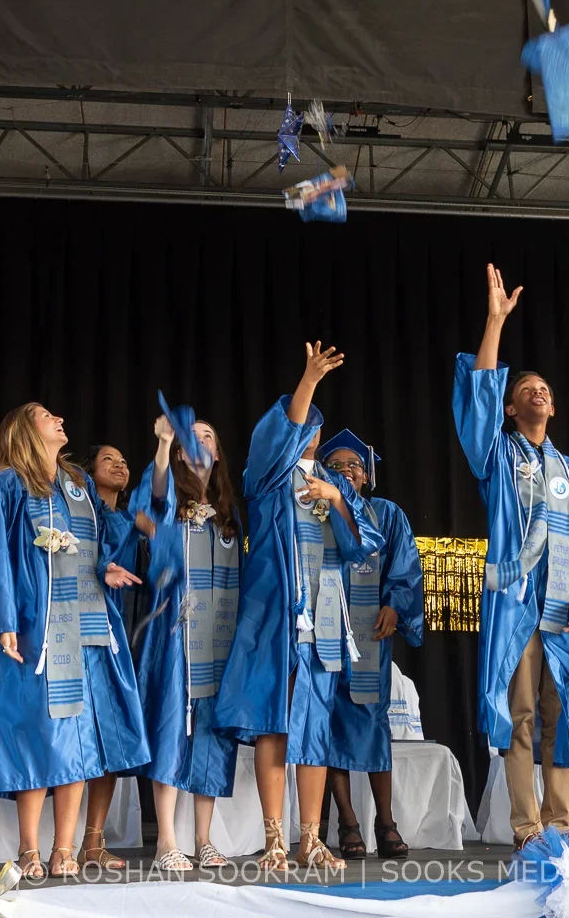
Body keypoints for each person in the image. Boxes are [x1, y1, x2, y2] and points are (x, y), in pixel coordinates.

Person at [0, 403, 150, 882]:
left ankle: (64, 848)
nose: (59, 418)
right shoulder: (5, 484)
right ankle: (29, 848)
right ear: (24, 429)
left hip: (87, 623)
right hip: (34, 624)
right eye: (46, 415)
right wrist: (1, 620)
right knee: (35, 733)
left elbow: (95, 547)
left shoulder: (79, 485)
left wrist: (105, 566)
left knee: (78, 737)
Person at [454, 265, 569, 850]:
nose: (539, 391)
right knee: (520, 715)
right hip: (517, 606)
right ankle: (527, 828)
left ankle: (562, 823)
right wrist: (495, 321)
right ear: (511, 410)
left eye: (545, 387)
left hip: (565, 608)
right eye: (526, 390)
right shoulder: (497, 457)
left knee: (562, 716)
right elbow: (479, 396)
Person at [214, 343, 377, 870]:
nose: (303, 428)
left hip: (324, 617)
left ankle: (311, 837)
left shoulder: (331, 488)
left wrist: (335, 498)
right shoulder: (265, 481)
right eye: (295, 422)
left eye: (311, 425)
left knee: (315, 724)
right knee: (275, 722)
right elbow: (282, 431)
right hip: (275, 612)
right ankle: (275, 836)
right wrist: (307, 382)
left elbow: (363, 543)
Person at [130, 412, 242, 872]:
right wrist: (160, 446)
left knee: (212, 737)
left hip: (218, 638)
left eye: (208, 437)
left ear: (216, 453)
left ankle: (203, 838)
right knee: (172, 726)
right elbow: (151, 498)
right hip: (175, 634)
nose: (199, 443)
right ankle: (167, 841)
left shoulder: (228, 513)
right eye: (190, 439)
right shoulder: (171, 496)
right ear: (180, 452)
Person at [318, 429, 425, 861]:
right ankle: (347, 822)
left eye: (354, 466)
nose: (346, 472)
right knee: (330, 729)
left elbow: (405, 567)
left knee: (374, 726)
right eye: (337, 467)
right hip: (325, 636)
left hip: (369, 636)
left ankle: (386, 821)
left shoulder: (387, 513)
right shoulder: (316, 515)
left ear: (367, 476)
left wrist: (396, 607)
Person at [77, 442, 137, 872]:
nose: (119, 465)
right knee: (78, 734)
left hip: (120, 629)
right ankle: (57, 841)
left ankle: (93, 841)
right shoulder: (76, 510)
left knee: (111, 735)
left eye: (123, 460)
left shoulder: (130, 517)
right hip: (76, 629)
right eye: (108, 460)